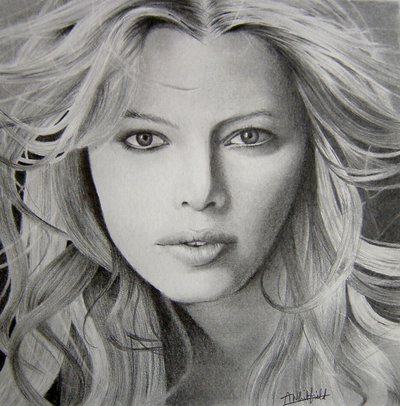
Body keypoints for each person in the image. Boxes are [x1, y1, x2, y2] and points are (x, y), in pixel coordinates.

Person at [0, 0, 400, 405]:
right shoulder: (44, 386)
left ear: (313, 154)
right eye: (145, 139)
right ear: (79, 162)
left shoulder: (388, 379)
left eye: (248, 136)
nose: (200, 191)